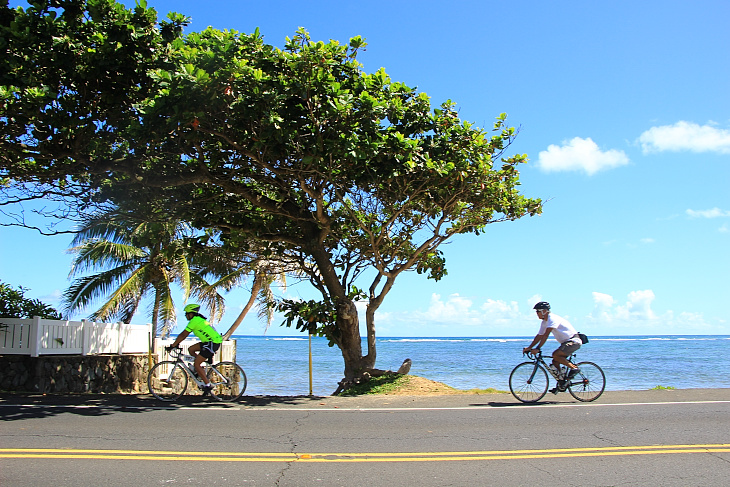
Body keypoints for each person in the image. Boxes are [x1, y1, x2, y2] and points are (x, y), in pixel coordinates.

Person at [166, 304, 223, 395]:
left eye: (187, 313)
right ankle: (198, 370)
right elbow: (183, 336)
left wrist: (173, 345)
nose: (185, 315)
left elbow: (183, 335)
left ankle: (208, 385)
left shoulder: (194, 321)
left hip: (212, 342)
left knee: (196, 363)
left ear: (191, 314)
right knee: (191, 349)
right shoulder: (197, 319)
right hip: (208, 342)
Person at [523, 301, 582, 385]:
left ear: (544, 311)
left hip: (573, 341)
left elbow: (546, 335)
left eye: (538, 311)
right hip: (566, 343)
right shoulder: (544, 322)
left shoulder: (552, 318)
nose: (536, 313)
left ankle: (574, 368)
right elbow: (539, 336)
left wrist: (538, 348)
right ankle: (562, 382)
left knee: (556, 354)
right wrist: (529, 347)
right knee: (555, 362)